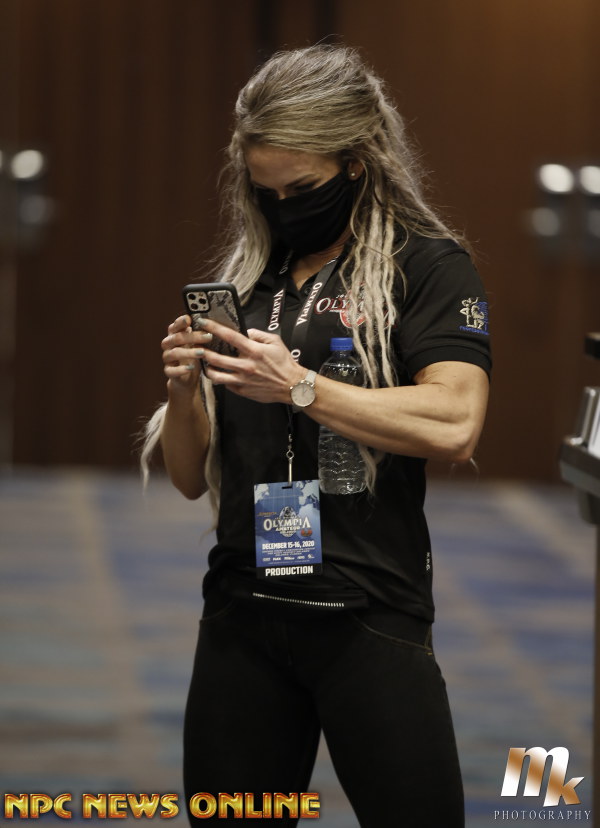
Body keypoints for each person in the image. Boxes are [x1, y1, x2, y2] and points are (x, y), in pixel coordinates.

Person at [142, 45, 490, 826]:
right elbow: (190, 479)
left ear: (358, 161)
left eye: (302, 190)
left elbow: (457, 422)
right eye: (264, 193)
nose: (283, 209)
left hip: (368, 608)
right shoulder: (250, 276)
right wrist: (183, 389)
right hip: (244, 608)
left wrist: (299, 386)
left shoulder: (429, 268)